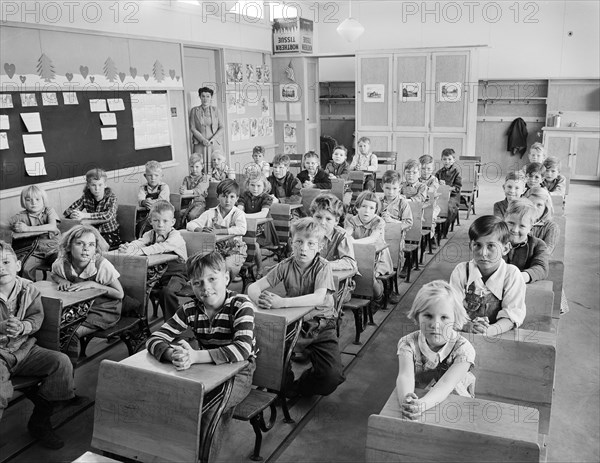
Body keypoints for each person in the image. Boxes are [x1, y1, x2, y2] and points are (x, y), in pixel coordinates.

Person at [146, 251, 256, 460]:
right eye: (198, 283)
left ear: (226, 278)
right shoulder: (189, 310)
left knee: (210, 411)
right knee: (171, 402)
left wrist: (195, 356)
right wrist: (173, 354)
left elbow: (242, 350)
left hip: (240, 373)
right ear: (191, 285)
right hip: (206, 370)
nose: (206, 287)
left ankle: (203, 459)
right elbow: (154, 338)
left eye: (212, 279)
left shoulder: (241, 305)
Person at [248, 218, 345, 398]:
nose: (304, 248)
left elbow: (318, 297)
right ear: (292, 242)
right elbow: (253, 288)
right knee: (273, 364)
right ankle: (285, 389)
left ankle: (301, 386)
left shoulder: (323, 266)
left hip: (321, 325)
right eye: (299, 242)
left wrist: (282, 303)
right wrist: (261, 300)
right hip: (294, 324)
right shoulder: (285, 265)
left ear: (320, 246)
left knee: (331, 377)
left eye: (310, 243)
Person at [0, 241, 77, 449]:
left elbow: (36, 316)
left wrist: (23, 326)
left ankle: (40, 420)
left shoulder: (28, 288)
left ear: (17, 265)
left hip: (24, 349)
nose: (0, 268)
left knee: (61, 363)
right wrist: (2, 327)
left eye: (5, 262)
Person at [396, 280, 476, 420]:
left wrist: (422, 405)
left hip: (456, 407)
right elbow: (405, 376)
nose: (435, 325)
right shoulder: (408, 344)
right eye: (428, 316)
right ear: (417, 316)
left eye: (444, 317)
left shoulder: (463, 350)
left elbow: (447, 384)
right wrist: (407, 400)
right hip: (420, 402)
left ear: (455, 319)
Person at [50, 226, 124, 359]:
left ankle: (69, 367)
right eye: (79, 243)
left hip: (103, 309)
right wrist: (61, 280)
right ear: (68, 246)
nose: (86, 249)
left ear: (96, 248)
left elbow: (119, 294)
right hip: (78, 307)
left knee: (69, 333)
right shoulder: (61, 263)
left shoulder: (101, 265)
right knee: (52, 326)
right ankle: (56, 363)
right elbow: (53, 274)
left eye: (91, 245)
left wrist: (93, 284)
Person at [449, 215, 526, 336]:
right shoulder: (461, 271)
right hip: (464, 333)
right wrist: (466, 326)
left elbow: (512, 316)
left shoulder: (511, 275)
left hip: (498, 335)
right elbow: (452, 309)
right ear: (471, 246)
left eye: (491, 246)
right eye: (477, 245)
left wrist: (487, 331)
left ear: (505, 249)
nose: (483, 253)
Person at [119, 201, 187, 320]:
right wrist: (127, 247)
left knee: (167, 292)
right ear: (150, 221)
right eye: (156, 220)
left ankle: (174, 323)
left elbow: (161, 247)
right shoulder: (150, 234)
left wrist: (138, 252)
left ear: (173, 222)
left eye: (165, 221)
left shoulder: (176, 236)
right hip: (158, 272)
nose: (160, 225)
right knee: (133, 285)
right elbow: (139, 242)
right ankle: (136, 321)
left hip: (177, 274)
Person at [187, 179, 247, 280]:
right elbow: (190, 224)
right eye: (224, 196)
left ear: (237, 198)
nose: (227, 200)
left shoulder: (238, 213)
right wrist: (199, 229)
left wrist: (218, 231)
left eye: (231, 197)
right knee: (202, 266)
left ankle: (224, 288)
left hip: (235, 250)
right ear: (218, 196)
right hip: (215, 251)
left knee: (228, 266)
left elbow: (242, 229)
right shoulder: (210, 213)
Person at [344, 191, 393, 309]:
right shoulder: (351, 220)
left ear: (376, 210)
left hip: (378, 257)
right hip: (358, 254)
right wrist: (347, 238)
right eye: (364, 206)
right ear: (357, 207)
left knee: (369, 276)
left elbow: (372, 238)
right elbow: (346, 234)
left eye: (372, 208)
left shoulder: (378, 222)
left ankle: (379, 297)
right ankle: (351, 295)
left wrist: (353, 242)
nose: (367, 211)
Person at [9, 185, 60, 280]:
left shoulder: (49, 211)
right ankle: (30, 291)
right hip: (35, 252)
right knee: (24, 268)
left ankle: (61, 288)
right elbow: (7, 224)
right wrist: (14, 227)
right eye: (28, 200)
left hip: (54, 249)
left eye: (37, 199)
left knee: (61, 264)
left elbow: (52, 226)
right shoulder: (21, 216)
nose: (33, 203)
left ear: (43, 200)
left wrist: (27, 229)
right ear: (24, 202)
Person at [64, 168, 121, 250]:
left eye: (100, 185)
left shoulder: (111, 198)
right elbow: (67, 211)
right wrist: (74, 214)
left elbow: (108, 216)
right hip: (91, 233)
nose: (97, 189)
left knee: (93, 248)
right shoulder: (86, 197)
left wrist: (84, 215)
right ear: (88, 186)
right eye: (93, 185)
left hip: (109, 233)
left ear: (105, 185)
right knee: (77, 245)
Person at [236, 174, 279, 278]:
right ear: (248, 185)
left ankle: (259, 268)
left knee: (254, 243)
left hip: (264, 229)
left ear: (264, 186)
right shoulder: (244, 196)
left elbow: (263, 214)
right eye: (252, 185)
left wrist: (244, 216)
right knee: (237, 241)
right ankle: (242, 267)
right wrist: (242, 216)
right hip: (248, 226)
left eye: (259, 186)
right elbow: (239, 210)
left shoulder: (266, 198)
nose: (255, 189)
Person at [503, 198, 549, 284]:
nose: (515, 230)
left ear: (530, 228)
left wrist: (520, 277)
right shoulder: (495, 240)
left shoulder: (538, 245)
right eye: (511, 223)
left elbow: (541, 268)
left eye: (522, 226)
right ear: (504, 219)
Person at [309, 193, 357, 273]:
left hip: (336, 279)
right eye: (318, 217)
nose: (322, 222)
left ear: (336, 221)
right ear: (312, 216)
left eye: (328, 219)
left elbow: (349, 262)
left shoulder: (341, 236)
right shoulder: (306, 232)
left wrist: (324, 265)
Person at [379, 170, 413, 281]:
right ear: (382, 187)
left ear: (400, 188)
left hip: (397, 239)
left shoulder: (403, 203)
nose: (391, 192)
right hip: (380, 237)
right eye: (387, 188)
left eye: (394, 188)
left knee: (395, 259)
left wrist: (392, 222)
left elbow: (408, 223)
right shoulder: (378, 202)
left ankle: (393, 283)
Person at [136, 161, 170, 238]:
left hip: (162, 214)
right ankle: (144, 243)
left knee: (150, 226)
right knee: (139, 225)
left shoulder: (164, 187)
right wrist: (144, 202)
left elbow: (162, 201)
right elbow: (140, 199)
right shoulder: (143, 188)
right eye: (149, 175)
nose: (153, 178)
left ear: (161, 176)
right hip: (147, 214)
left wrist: (151, 203)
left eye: (156, 175)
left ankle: (155, 242)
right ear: (145, 176)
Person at [521, 187, 560, 255]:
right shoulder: (518, 220)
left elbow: (546, 252)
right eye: (531, 203)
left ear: (545, 207)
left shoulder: (551, 227)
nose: (534, 208)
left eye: (539, 205)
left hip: (537, 262)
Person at [189, 86, 224, 158]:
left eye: (208, 96)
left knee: (215, 162)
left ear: (211, 97)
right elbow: (192, 128)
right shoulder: (194, 110)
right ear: (200, 97)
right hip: (199, 143)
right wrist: (202, 140)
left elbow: (222, 127)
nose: (205, 99)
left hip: (214, 142)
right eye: (203, 96)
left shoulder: (216, 110)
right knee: (198, 163)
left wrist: (214, 138)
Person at [435, 148, 462, 229]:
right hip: (441, 196)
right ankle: (436, 229)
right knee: (433, 206)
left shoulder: (457, 172)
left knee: (448, 208)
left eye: (449, 159)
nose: (447, 161)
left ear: (454, 160)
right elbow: (434, 185)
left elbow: (458, 188)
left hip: (453, 196)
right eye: (444, 159)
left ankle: (444, 230)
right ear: (441, 160)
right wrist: (438, 184)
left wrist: (448, 188)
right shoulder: (439, 172)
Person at [179, 153, 209, 225]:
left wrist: (186, 192)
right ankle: (183, 229)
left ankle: (194, 228)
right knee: (179, 213)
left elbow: (198, 191)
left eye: (197, 166)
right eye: (192, 166)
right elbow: (184, 190)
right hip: (187, 203)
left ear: (202, 166)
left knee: (192, 215)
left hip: (199, 203)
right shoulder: (186, 179)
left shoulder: (204, 178)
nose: (194, 169)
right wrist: (182, 190)